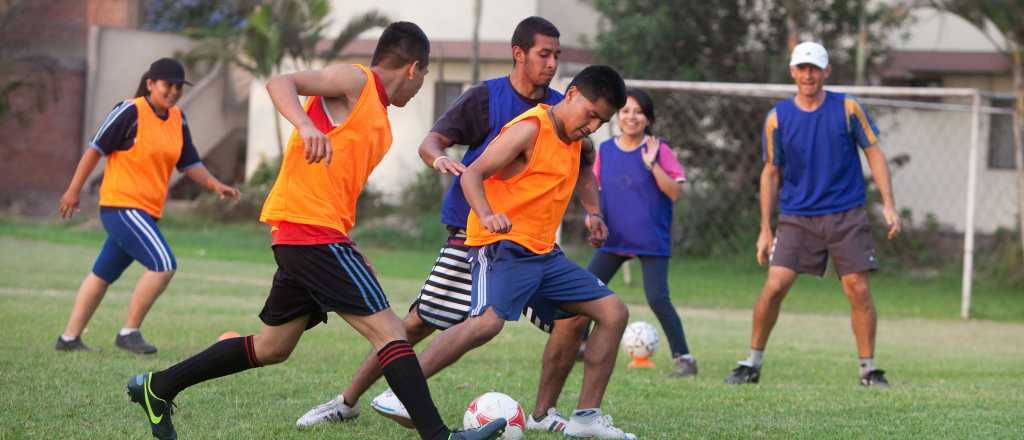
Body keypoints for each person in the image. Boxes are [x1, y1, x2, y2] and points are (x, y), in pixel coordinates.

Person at [123, 23, 506, 440]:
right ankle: (439, 436)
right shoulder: (358, 81)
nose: (418, 88)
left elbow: (332, 188)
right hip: (310, 233)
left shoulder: (378, 115)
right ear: (414, 68)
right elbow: (280, 82)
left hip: (314, 235)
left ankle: (157, 388)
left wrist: (351, 246)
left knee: (272, 348)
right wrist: (306, 125)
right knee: (391, 331)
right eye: (425, 77)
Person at [296, 16, 588, 434]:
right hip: (475, 237)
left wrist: (593, 210)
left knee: (575, 316)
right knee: (416, 322)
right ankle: (347, 401)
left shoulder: (562, 108)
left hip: (536, 245)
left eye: (557, 56)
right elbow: (432, 141)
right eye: (545, 54)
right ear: (518, 53)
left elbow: (586, 165)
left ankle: (544, 414)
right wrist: (440, 159)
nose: (552, 63)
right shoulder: (485, 98)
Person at [406, 65, 637, 440]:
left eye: (602, 121)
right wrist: (486, 214)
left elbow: (584, 169)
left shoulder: (579, 140)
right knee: (487, 322)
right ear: (573, 94)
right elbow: (472, 174)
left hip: (543, 254)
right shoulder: (530, 128)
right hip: (501, 247)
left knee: (611, 312)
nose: (593, 125)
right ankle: (404, 388)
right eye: (591, 114)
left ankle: (584, 418)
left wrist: (594, 212)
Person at [724, 42, 901, 388]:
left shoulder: (847, 108)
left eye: (815, 68)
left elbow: (875, 154)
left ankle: (868, 370)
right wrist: (765, 229)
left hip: (845, 214)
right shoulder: (778, 117)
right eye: (802, 68)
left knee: (858, 288)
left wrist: (889, 204)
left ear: (826, 72)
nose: (808, 75)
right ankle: (752, 363)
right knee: (775, 285)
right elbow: (771, 172)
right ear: (793, 72)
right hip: (797, 217)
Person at [55, 57, 240, 354]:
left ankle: (68, 339)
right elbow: (96, 150)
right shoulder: (130, 110)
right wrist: (73, 190)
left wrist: (215, 184)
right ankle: (129, 332)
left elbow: (189, 162)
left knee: (102, 274)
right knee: (164, 265)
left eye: (179, 87)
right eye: (168, 85)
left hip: (146, 211)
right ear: (151, 83)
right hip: (121, 206)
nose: (174, 92)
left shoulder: (178, 118)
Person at [586, 87, 698, 377]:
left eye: (638, 112)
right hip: (613, 239)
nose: (631, 117)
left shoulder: (660, 150)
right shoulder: (606, 150)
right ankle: (580, 345)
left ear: (648, 119)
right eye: (625, 111)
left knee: (657, 298)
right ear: (617, 115)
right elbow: (594, 193)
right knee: (585, 289)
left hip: (650, 239)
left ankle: (685, 358)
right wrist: (593, 217)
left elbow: (675, 193)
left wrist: (652, 165)